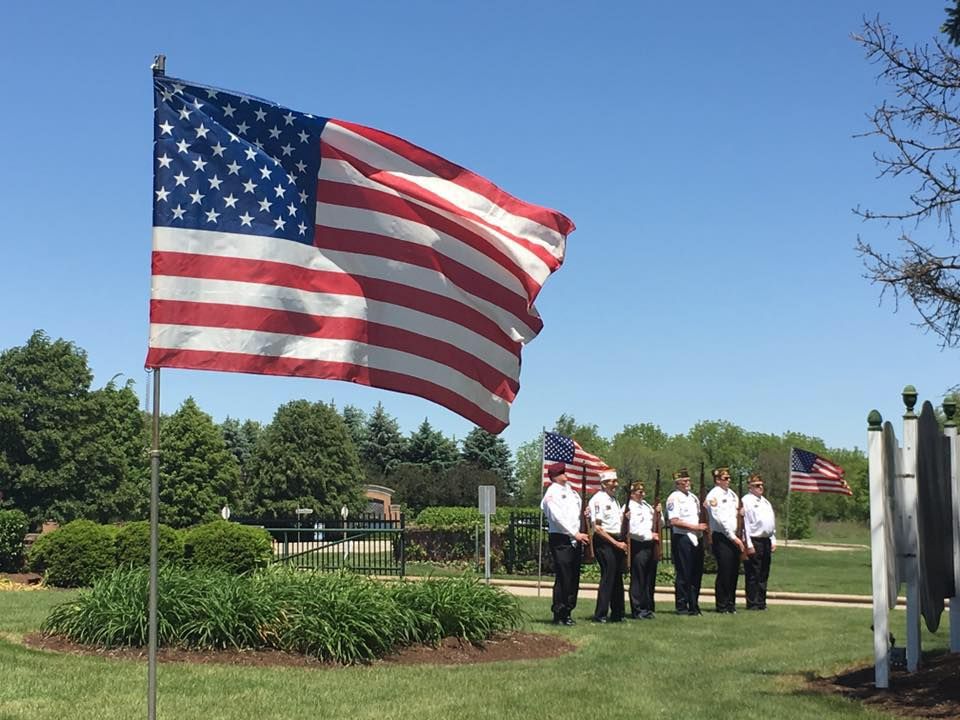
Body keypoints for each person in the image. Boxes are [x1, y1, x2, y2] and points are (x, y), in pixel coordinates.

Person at [541, 462, 590, 625]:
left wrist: (586, 514)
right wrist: (574, 533)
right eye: (561, 472)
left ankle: (568, 610)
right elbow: (557, 518)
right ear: (554, 476)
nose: (565, 474)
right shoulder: (552, 493)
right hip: (561, 538)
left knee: (573, 576)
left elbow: (577, 514)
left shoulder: (572, 492)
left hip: (575, 539)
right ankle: (559, 612)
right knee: (564, 576)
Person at [665, 468, 707, 615]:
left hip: (697, 537)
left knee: (696, 573)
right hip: (683, 537)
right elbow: (674, 520)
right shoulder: (674, 498)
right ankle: (682, 606)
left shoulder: (693, 498)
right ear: (678, 483)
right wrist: (695, 527)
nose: (688, 483)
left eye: (688, 480)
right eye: (684, 481)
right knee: (684, 573)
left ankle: (694, 604)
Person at [705, 466, 745, 613]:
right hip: (722, 537)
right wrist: (733, 537)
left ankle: (731, 603)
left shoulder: (732, 495)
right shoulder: (713, 496)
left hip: (734, 536)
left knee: (734, 571)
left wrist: (741, 513)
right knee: (725, 571)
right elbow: (720, 520)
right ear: (717, 480)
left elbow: (737, 513)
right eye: (725, 478)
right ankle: (721, 605)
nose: (728, 480)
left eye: (729, 478)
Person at [589, 470, 627, 623]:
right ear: (604, 484)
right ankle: (601, 614)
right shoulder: (598, 500)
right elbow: (597, 528)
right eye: (612, 482)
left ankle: (618, 613)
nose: (615, 485)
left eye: (616, 481)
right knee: (608, 577)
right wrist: (615, 543)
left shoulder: (614, 500)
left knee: (617, 578)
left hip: (616, 540)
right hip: (605, 542)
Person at [625, 482, 661, 619]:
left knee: (648, 578)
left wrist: (659, 513)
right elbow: (631, 530)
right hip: (638, 545)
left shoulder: (646, 506)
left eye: (643, 492)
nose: (643, 494)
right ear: (632, 494)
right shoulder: (629, 507)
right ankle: (637, 609)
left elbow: (659, 523)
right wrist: (648, 535)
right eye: (640, 492)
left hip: (650, 545)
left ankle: (647, 607)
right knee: (638, 578)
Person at [741, 473, 777, 610]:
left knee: (763, 573)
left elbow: (770, 524)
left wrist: (773, 539)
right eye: (757, 485)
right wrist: (748, 545)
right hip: (754, 541)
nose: (760, 487)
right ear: (750, 487)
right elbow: (745, 525)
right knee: (753, 574)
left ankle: (762, 602)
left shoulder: (765, 501)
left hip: (766, 540)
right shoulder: (746, 501)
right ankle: (752, 603)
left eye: (761, 485)